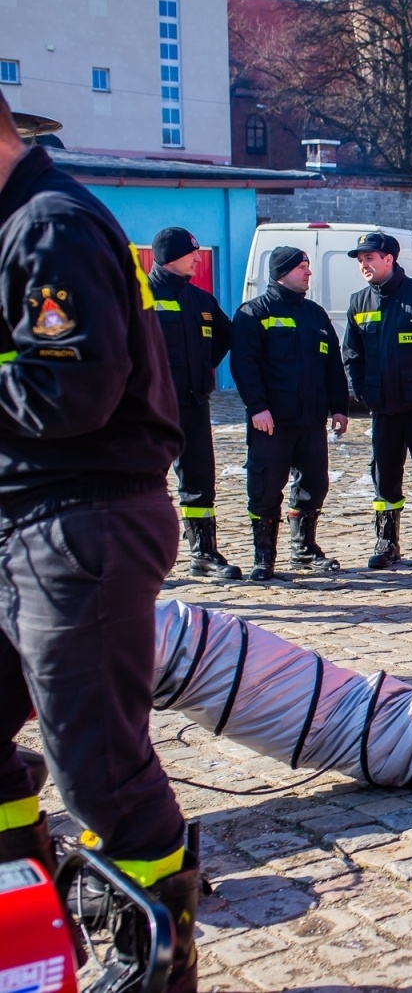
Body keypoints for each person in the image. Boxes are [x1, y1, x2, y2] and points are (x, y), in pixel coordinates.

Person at [0, 90, 200, 990]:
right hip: (23, 522)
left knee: (102, 775)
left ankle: (154, 963)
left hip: (78, 527)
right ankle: (28, 933)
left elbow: (66, 394)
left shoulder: (52, 229)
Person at [231, 247, 349, 580]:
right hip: (272, 422)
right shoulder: (254, 313)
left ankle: (303, 550)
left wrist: (339, 408)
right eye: (302, 267)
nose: (308, 273)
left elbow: (333, 365)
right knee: (265, 487)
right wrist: (257, 407)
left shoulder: (316, 315)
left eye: (308, 266)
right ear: (282, 272)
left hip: (311, 420)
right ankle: (263, 557)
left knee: (314, 484)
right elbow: (244, 365)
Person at [342, 231, 412, 569]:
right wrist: (361, 390)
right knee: (384, 478)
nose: (364, 265)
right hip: (383, 409)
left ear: (389, 259)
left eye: (369, 258)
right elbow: (352, 353)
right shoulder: (359, 302)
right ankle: (387, 543)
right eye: (360, 260)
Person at [148, 226, 238, 579]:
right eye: (191, 254)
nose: (198, 259)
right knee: (146, 485)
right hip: (151, 410)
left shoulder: (201, 301)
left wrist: (202, 370)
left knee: (200, 481)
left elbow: (225, 337)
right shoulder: (138, 298)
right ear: (170, 257)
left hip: (194, 406)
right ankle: (147, 563)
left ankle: (204, 554)